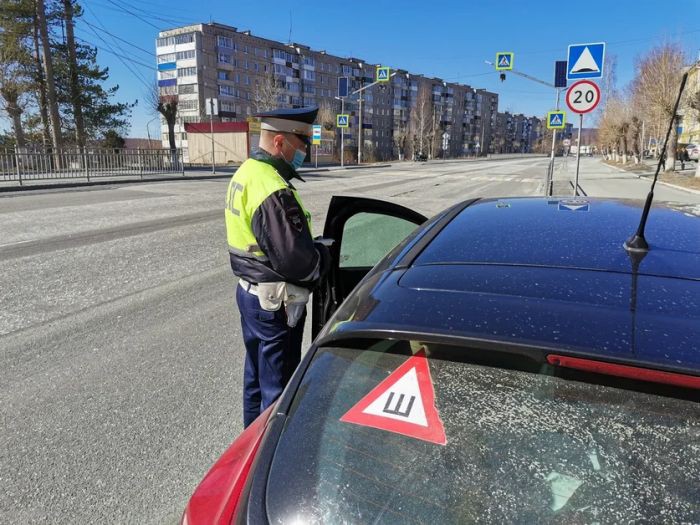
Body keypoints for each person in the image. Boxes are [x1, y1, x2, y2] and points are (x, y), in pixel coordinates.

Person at [224, 106, 329, 427]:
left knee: (255, 379)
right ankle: (266, 465)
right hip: (276, 305)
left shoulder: (247, 172)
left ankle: (249, 446)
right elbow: (297, 263)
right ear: (281, 141)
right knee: (278, 390)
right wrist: (323, 256)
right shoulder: (271, 187)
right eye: (303, 142)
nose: (306, 150)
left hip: (250, 295)